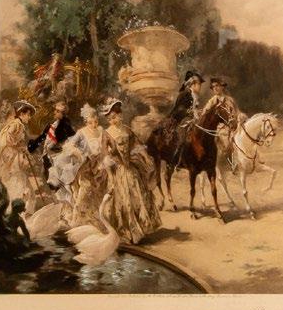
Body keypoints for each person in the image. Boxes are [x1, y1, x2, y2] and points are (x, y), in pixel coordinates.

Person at [102, 98, 162, 244]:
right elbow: (104, 154)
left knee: (137, 197)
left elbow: (137, 145)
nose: (115, 119)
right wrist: (111, 165)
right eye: (112, 117)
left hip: (131, 168)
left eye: (117, 116)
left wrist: (145, 157)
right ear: (109, 118)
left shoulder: (127, 130)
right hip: (118, 170)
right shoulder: (107, 133)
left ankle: (140, 229)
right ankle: (127, 232)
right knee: (123, 200)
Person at [48, 103, 113, 224]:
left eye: (96, 122)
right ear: (86, 122)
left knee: (101, 191)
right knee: (85, 190)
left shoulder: (101, 130)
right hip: (86, 165)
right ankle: (78, 220)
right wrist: (79, 154)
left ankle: (98, 219)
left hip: (100, 165)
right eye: (90, 122)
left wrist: (106, 156)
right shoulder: (81, 132)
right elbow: (70, 145)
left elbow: (107, 146)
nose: (94, 125)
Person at [0, 100, 38, 205]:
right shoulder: (17, 124)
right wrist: (18, 146)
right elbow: (8, 137)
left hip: (13, 153)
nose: (29, 117)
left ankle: (14, 201)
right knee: (13, 177)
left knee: (16, 177)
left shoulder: (18, 124)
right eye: (28, 115)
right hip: (11, 154)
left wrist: (20, 147)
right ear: (21, 114)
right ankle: (12, 202)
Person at [165, 70, 204, 168]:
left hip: (190, 121)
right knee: (182, 139)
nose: (200, 87)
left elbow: (195, 110)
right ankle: (173, 162)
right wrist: (190, 112)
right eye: (198, 84)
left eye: (200, 84)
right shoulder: (184, 94)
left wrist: (198, 112)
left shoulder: (195, 97)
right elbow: (179, 109)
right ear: (192, 85)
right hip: (178, 121)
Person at [29, 100, 76, 180]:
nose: (54, 112)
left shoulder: (67, 126)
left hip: (60, 160)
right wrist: (31, 147)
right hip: (48, 158)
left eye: (57, 111)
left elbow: (71, 141)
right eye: (55, 110)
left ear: (63, 114)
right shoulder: (51, 125)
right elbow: (42, 138)